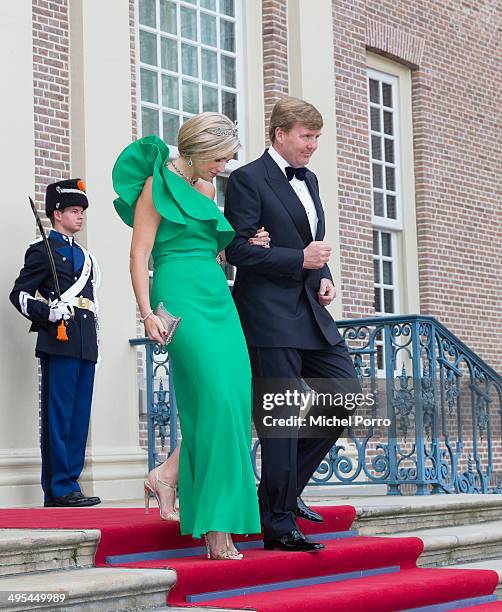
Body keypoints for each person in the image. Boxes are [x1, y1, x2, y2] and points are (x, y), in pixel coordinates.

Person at [112, 113, 268, 560]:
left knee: (234, 402)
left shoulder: (207, 185)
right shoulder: (154, 187)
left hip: (218, 295)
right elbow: (139, 254)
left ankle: (167, 475)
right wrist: (146, 314)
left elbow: (213, 245)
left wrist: (246, 246)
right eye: (219, 158)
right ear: (196, 151)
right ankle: (217, 527)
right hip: (177, 294)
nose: (223, 166)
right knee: (216, 399)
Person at [224, 96, 362, 552]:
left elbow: (310, 243)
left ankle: (277, 494)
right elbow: (238, 252)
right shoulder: (247, 179)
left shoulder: (312, 179)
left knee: (343, 392)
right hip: (266, 312)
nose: (313, 145)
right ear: (280, 133)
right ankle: (279, 525)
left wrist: (321, 276)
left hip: (308, 309)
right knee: (280, 416)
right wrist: (299, 260)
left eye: (317, 136)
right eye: (307, 136)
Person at [10, 179, 101, 508]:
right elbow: (18, 294)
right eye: (74, 211)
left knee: (79, 416)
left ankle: (71, 483)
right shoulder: (42, 250)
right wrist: (46, 312)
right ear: (56, 213)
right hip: (59, 340)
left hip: (84, 341)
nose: (80, 217)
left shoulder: (85, 256)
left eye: (82, 212)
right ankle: (58, 488)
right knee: (59, 415)